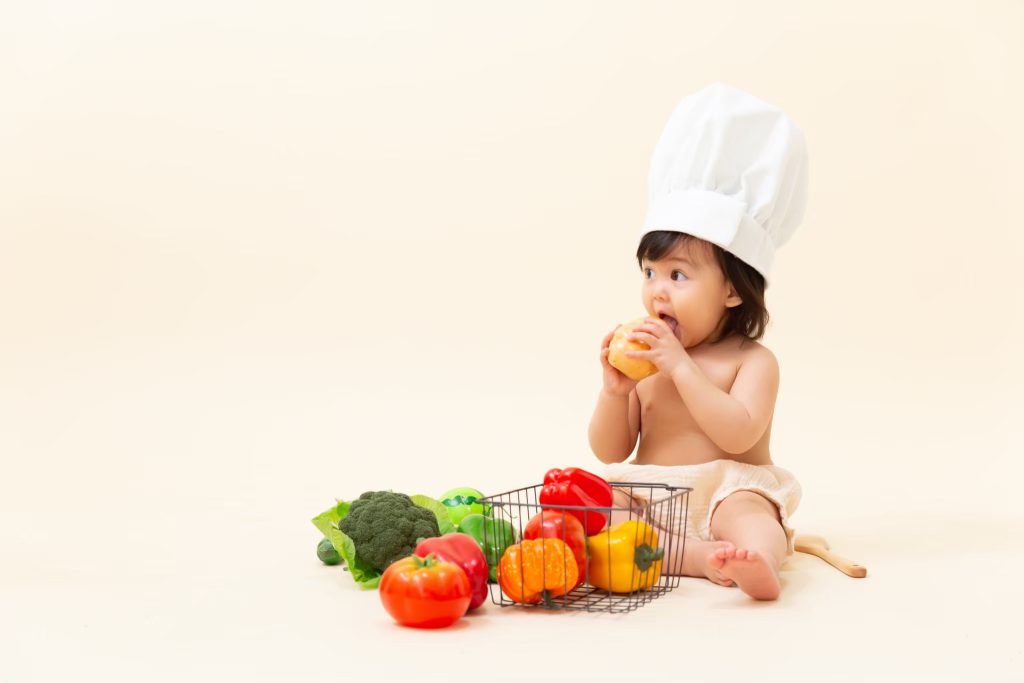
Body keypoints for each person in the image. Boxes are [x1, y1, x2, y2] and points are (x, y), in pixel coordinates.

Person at [588, 82, 809, 601]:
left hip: (726, 491)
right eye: (649, 272)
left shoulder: (751, 361)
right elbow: (611, 449)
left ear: (732, 290)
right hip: (651, 496)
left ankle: (758, 559)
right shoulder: (646, 363)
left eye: (678, 275)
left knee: (752, 517)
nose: (657, 291)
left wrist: (681, 369)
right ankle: (696, 559)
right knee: (603, 505)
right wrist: (615, 393)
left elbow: (737, 434)